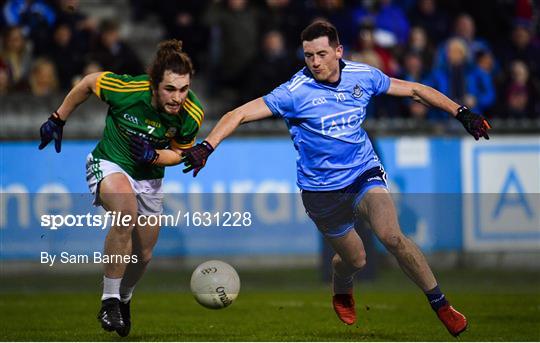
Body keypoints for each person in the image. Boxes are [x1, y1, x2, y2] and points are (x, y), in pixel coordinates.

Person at [181, 20, 491, 337]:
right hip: (321, 191)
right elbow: (239, 114)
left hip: (363, 173)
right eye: (308, 55)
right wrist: (207, 146)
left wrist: (461, 112)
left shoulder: (363, 76)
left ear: (338, 51)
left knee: (392, 236)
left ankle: (441, 305)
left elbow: (414, 90)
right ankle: (342, 284)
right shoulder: (294, 92)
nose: (315, 62)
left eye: (321, 53)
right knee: (355, 259)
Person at [38, 39, 204, 337]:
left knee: (144, 254)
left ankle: (124, 298)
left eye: (183, 89)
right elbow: (89, 82)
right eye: (170, 89)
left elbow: (179, 154)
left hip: (149, 177)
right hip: (110, 163)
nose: (177, 97)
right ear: (154, 85)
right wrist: (58, 117)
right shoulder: (128, 90)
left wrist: (153, 156)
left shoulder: (191, 113)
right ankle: (109, 300)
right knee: (125, 212)